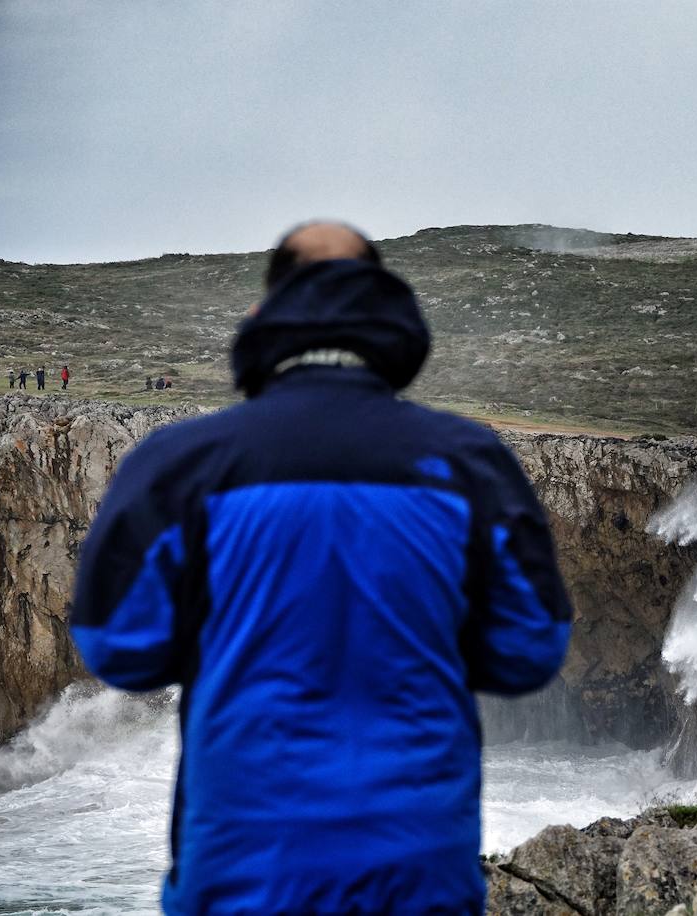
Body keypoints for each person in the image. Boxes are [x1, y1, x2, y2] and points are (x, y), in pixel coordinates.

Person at [70, 221, 572, 914]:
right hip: (418, 867)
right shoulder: (469, 462)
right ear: (385, 305)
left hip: (243, 868)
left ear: (265, 312)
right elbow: (529, 650)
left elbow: (118, 648)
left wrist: (231, 631)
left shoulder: (181, 463)